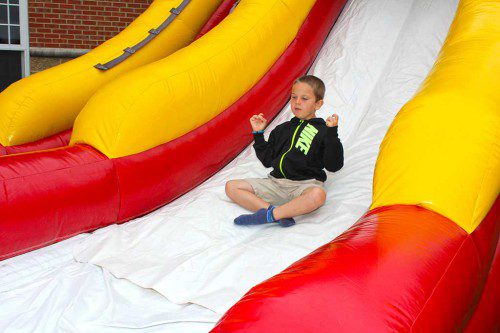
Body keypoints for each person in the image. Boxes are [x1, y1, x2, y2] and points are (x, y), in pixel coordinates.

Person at [225, 75, 344, 227]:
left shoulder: (323, 131)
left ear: (318, 104)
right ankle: (277, 213)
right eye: (294, 97)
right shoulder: (281, 129)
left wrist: (332, 133)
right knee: (231, 186)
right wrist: (259, 135)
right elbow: (268, 160)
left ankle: (271, 215)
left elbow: (334, 166)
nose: (297, 102)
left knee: (318, 195)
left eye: (304, 98)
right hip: (276, 183)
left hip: (304, 186)